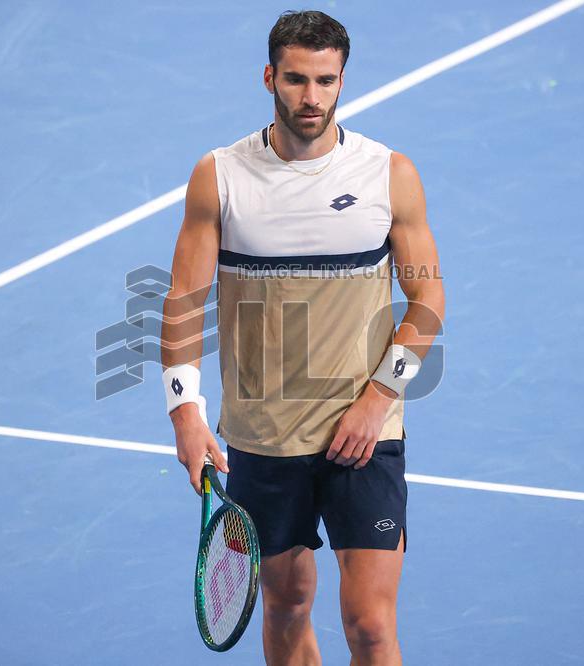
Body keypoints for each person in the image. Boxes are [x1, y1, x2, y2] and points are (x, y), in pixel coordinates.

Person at [160, 10, 444, 665]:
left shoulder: (389, 174)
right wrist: (185, 414)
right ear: (270, 77)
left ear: (343, 81)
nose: (310, 97)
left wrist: (377, 402)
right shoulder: (220, 176)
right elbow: (183, 300)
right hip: (261, 436)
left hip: (364, 436)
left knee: (371, 626)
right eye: (295, 79)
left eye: (325, 80)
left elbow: (428, 301)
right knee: (287, 609)